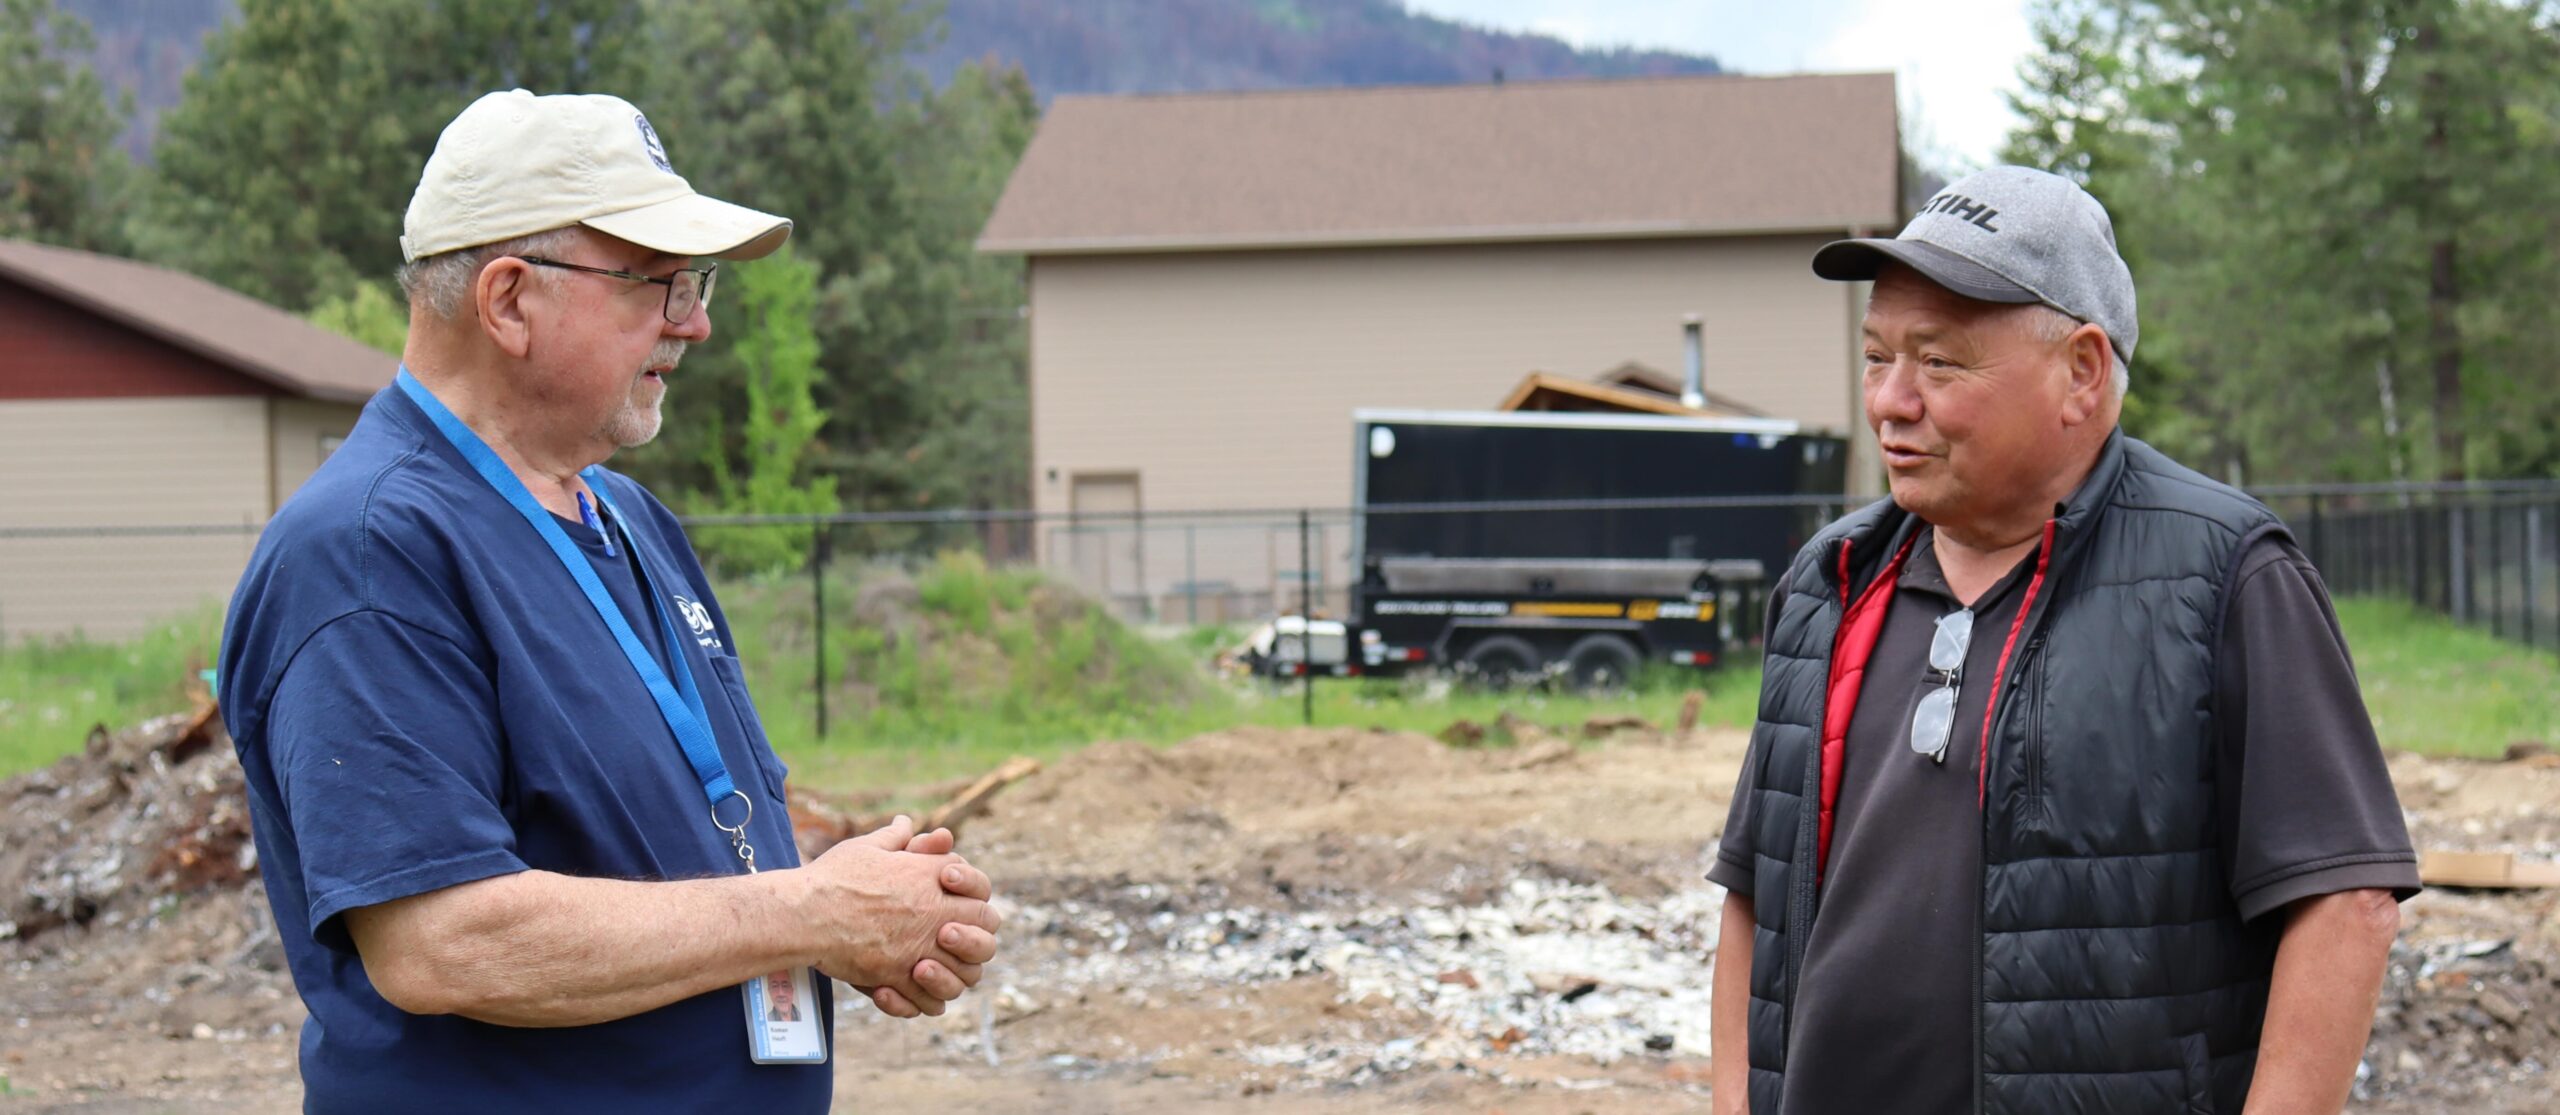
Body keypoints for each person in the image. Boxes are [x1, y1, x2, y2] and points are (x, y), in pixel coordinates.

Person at [218, 90, 999, 1113]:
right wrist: (809, 912)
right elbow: (442, 941)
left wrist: (860, 916)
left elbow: (658, 845)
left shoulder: (624, 515)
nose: (698, 320)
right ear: (507, 300)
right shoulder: (370, 550)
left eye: (695, 281)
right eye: (657, 281)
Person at [1705, 166, 2418, 1115]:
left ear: (2082, 371)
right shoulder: (1829, 580)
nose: (1890, 401)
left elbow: (2343, 904)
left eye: (1940, 362)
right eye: (1878, 357)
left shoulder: (2224, 576)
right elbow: (1756, 896)